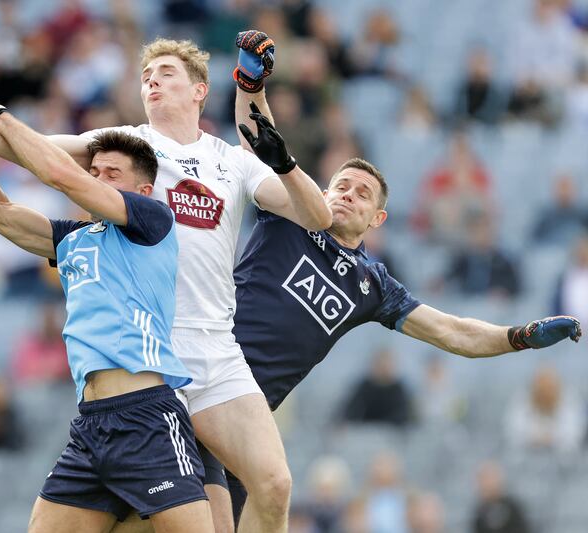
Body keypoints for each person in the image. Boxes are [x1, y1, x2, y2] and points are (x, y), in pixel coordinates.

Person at [0, 29, 330, 533]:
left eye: (166, 73)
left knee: (274, 486)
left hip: (210, 347)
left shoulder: (225, 163)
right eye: (145, 76)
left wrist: (282, 161)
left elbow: (316, 215)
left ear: (200, 89)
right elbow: (35, 158)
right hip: (147, 359)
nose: (152, 82)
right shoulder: (125, 148)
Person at [214, 33, 582, 524]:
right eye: (340, 185)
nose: (347, 194)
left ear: (377, 221)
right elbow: (258, 137)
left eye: (362, 194)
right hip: (205, 377)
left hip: (249, 413)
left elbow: (452, 331)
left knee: (248, 504)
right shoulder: (293, 214)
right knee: (264, 491)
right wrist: (252, 80)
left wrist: (517, 337)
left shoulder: (373, 284)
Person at [0, 64, 212, 531]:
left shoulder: (152, 221)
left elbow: (60, 175)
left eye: (113, 173)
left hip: (148, 415)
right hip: (92, 424)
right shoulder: (74, 238)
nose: (99, 178)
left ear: (144, 190)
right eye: (97, 170)